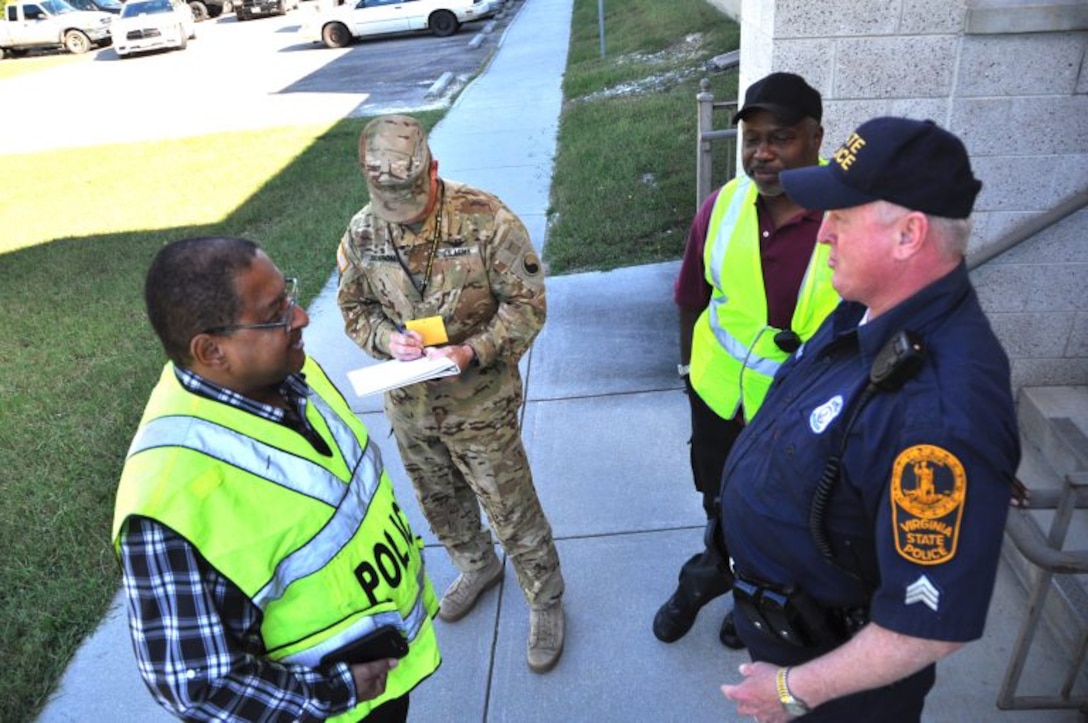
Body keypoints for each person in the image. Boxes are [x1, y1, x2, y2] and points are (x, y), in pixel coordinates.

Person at [718, 117, 1021, 721]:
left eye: (842, 216)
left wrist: (791, 691)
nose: (822, 233)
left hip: (838, 686)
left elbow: (927, 625)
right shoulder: (866, 304)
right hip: (785, 627)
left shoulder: (939, 415)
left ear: (908, 235)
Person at [112, 236, 440, 722]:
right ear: (211, 350)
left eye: (288, 295)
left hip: (385, 675)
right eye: (276, 313)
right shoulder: (168, 498)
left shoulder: (287, 376)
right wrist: (336, 690)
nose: (302, 317)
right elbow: (196, 685)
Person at [336, 114, 565, 674]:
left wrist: (470, 351)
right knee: (439, 500)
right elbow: (355, 309)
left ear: (433, 170)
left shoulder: (486, 220)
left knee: (509, 504)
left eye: (412, 200)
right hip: (411, 406)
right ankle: (477, 565)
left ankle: (546, 597)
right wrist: (390, 340)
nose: (403, 215)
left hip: (480, 403)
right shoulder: (363, 232)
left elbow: (527, 305)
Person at [653, 72, 839, 649]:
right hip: (718, 403)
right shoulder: (724, 207)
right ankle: (711, 578)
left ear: (815, 137)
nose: (761, 154)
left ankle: (748, 598)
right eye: (751, 138)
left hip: (799, 421)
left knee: (783, 521)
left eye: (779, 138)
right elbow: (691, 300)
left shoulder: (850, 219)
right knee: (720, 503)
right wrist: (692, 377)